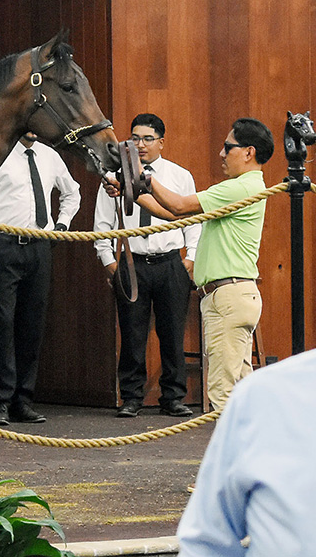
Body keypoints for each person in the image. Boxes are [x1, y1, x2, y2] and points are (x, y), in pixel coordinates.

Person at [115, 117, 273, 412]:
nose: (221, 154)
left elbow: (178, 205)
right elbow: (174, 215)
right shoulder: (245, 186)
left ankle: (229, 444)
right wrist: (131, 191)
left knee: (222, 394)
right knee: (238, 388)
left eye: (228, 147)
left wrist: (143, 177)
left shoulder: (239, 188)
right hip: (231, 294)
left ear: (248, 152)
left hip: (228, 296)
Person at [0, 133, 80, 426]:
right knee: (4, 324)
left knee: (33, 324)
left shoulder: (50, 156)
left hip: (40, 246)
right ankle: (1, 402)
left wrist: (62, 225)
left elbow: (73, 193)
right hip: (4, 245)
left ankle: (23, 400)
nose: (33, 131)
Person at [94, 113, 198, 418]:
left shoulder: (180, 175)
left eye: (148, 139)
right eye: (135, 138)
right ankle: (131, 397)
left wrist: (190, 259)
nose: (140, 145)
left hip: (170, 264)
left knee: (172, 334)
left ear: (161, 142)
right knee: (132, 335)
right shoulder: (114, 178)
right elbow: (102, 227)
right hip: (131, 264)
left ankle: (173, 397)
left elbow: (193, 222)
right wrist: (111, 265)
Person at [177, 348, 316, 555]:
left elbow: (206, 543)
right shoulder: (266, 392)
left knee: (223, 384)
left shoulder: (268, 393)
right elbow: (205, 544)